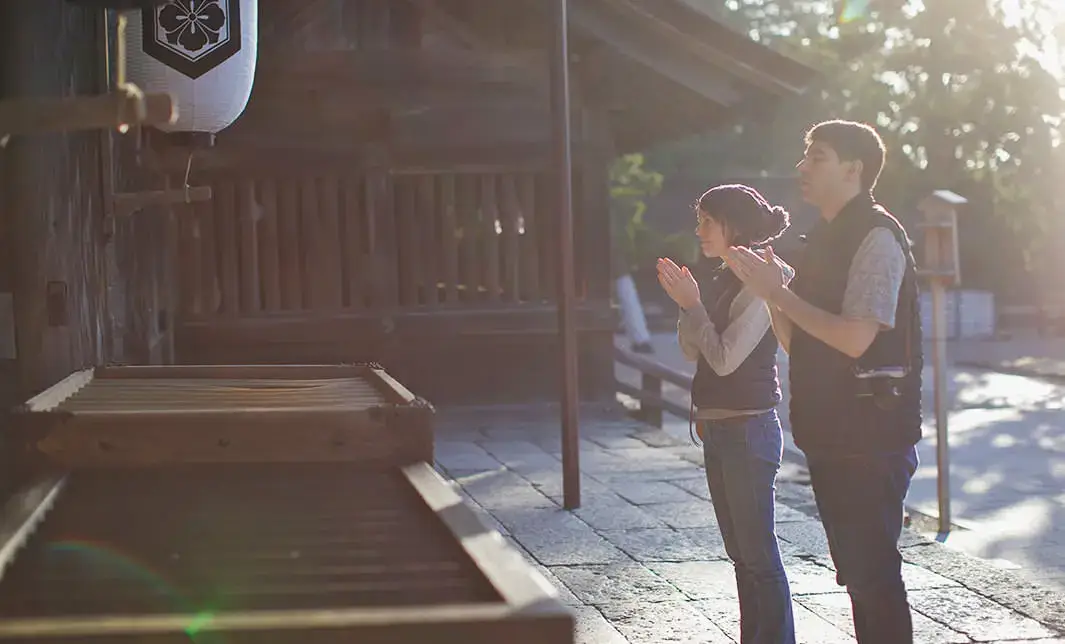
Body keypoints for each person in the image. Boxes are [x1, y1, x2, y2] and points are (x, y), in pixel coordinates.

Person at [724, 120, 922, 644]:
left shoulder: (877, 235)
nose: (803, 167)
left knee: (873, 576)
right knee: (857, 574)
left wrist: (780, 294)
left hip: (872, 435)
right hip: (832, 433)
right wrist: (769, 290)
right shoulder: (824, 238)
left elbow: (856, 338)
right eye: (806, 155)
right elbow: (801, 343)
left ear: (854, 170)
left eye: (818, 157)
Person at [657, 184, 796, 644]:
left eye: (706, 221)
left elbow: (722, 358)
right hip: (718, 425)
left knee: (757, 553)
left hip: (748, 426)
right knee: (740, 553)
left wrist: (692, 307)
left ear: (732, 225)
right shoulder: (720, 276)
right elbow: (689, 349)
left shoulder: (764, 278)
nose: (699, 230)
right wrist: (689, 307)